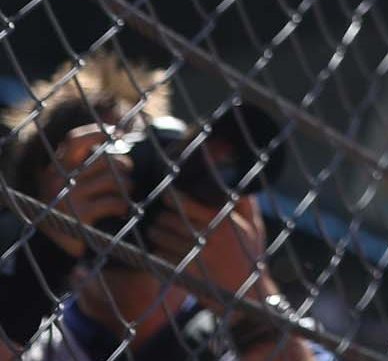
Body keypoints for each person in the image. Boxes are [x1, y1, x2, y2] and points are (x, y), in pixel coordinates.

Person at [0, 58, 331, 361]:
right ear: (50, 194)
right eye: (99, 165)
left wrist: (251, 298)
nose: (139, 186)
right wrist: (47, 251)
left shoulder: (245, 341)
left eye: (150, 155)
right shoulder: (33, 339)